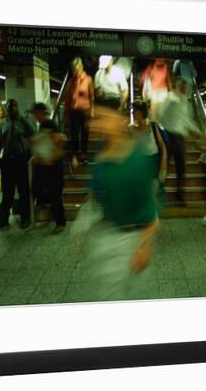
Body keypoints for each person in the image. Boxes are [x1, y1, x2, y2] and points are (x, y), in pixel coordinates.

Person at [73, 104, 159, 301]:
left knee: (131, 299)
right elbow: (97, 190)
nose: (94, 124)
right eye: (94, 119)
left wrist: (143, 247)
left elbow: (151, 211)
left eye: (102, 117)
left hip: (131, 239)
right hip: (108, 234)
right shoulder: (103, 155)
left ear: (119, 121)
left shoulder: (135, 160)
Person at [0, 99, 35, 230]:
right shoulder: (2, 124)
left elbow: (34, 137)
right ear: (6, 108)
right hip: (7, 162)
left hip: (21, 161)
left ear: (17, 108)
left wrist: (31, 156)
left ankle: (25, 218)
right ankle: (3, 219)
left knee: (23, 191)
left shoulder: (23, 122)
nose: (11, 109)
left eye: (14, 107)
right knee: (7, 192)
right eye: (9, 107)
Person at [158, 77, 199, 205]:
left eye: (185, 87)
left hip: (180, 138)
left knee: (181, 168)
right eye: (182, 87)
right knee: (164, 165)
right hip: (169, 136)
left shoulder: (186, 102)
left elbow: (187, 120)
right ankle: (159, 192)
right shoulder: (169, 97)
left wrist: (198, 132)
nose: (184, 89)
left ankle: (179, 195)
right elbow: (161, 115)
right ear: (177, 86)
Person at [30, 102, 67, 234]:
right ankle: (49, 213)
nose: (34, 116)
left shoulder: (50, 124)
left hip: (54, 166)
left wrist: (52, 156)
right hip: (46, 165)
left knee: (55, 194)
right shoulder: (43, 126)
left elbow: (61, 139)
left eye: (35, 113)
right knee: (41, 190)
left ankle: (61, 223)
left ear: (41, 113)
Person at [130, 99, 168, 198]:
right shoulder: (130, 129)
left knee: (153, 192)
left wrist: (163, 162)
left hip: (153, 161)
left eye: (134, 110)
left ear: (141, 112)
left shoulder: (153, 126)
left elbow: (162, 146)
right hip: (139, 163)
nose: (132, 112)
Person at [65, 57, 94, 167]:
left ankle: (84, 155)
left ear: (81, 68)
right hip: (74, 111)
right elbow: (67, 99)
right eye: (74, 70)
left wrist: (92, 111)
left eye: (77, 70)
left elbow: (92, 97)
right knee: (74, 134)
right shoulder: (71, 82)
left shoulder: (88, 79)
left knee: (85, 134)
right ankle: (74, 155)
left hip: (85, 111)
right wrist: (66, 114)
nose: (75, 72)